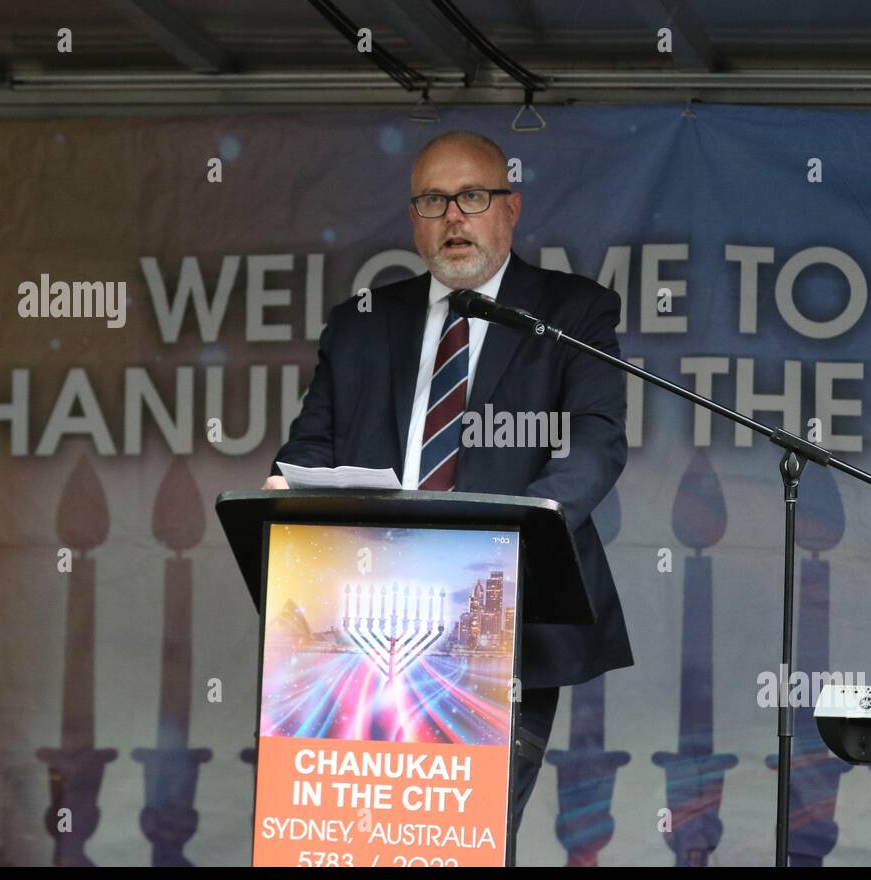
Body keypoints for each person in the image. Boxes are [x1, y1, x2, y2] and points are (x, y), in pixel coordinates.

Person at [263, 129, 631, 842]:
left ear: (510, 207)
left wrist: (531, 528)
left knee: (467, 838)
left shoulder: (572, 311)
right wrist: (290, 485)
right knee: (358, 838)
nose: (453, 217)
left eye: (471, 197)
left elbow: (595, 440)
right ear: (413, 218)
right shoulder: (361, 323)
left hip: (501, 618)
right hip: (358, 623)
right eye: (434, 201)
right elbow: (309, 448)